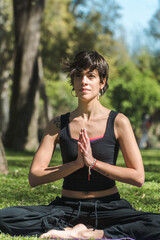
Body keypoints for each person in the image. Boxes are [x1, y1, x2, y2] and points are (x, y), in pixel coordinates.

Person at [0, 51, 160, 240]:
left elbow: (138, 177)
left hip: (108, 206)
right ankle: (72, 230)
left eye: (91, 76)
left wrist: (93, 163)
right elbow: (35, 177)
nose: (83, 81)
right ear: (73, 81)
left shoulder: (118, 122)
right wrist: (76, 164)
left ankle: (96, 233)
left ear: (102, 82)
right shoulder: (58, 124)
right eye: (78, 75)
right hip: (66, 207)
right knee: (4, 216)